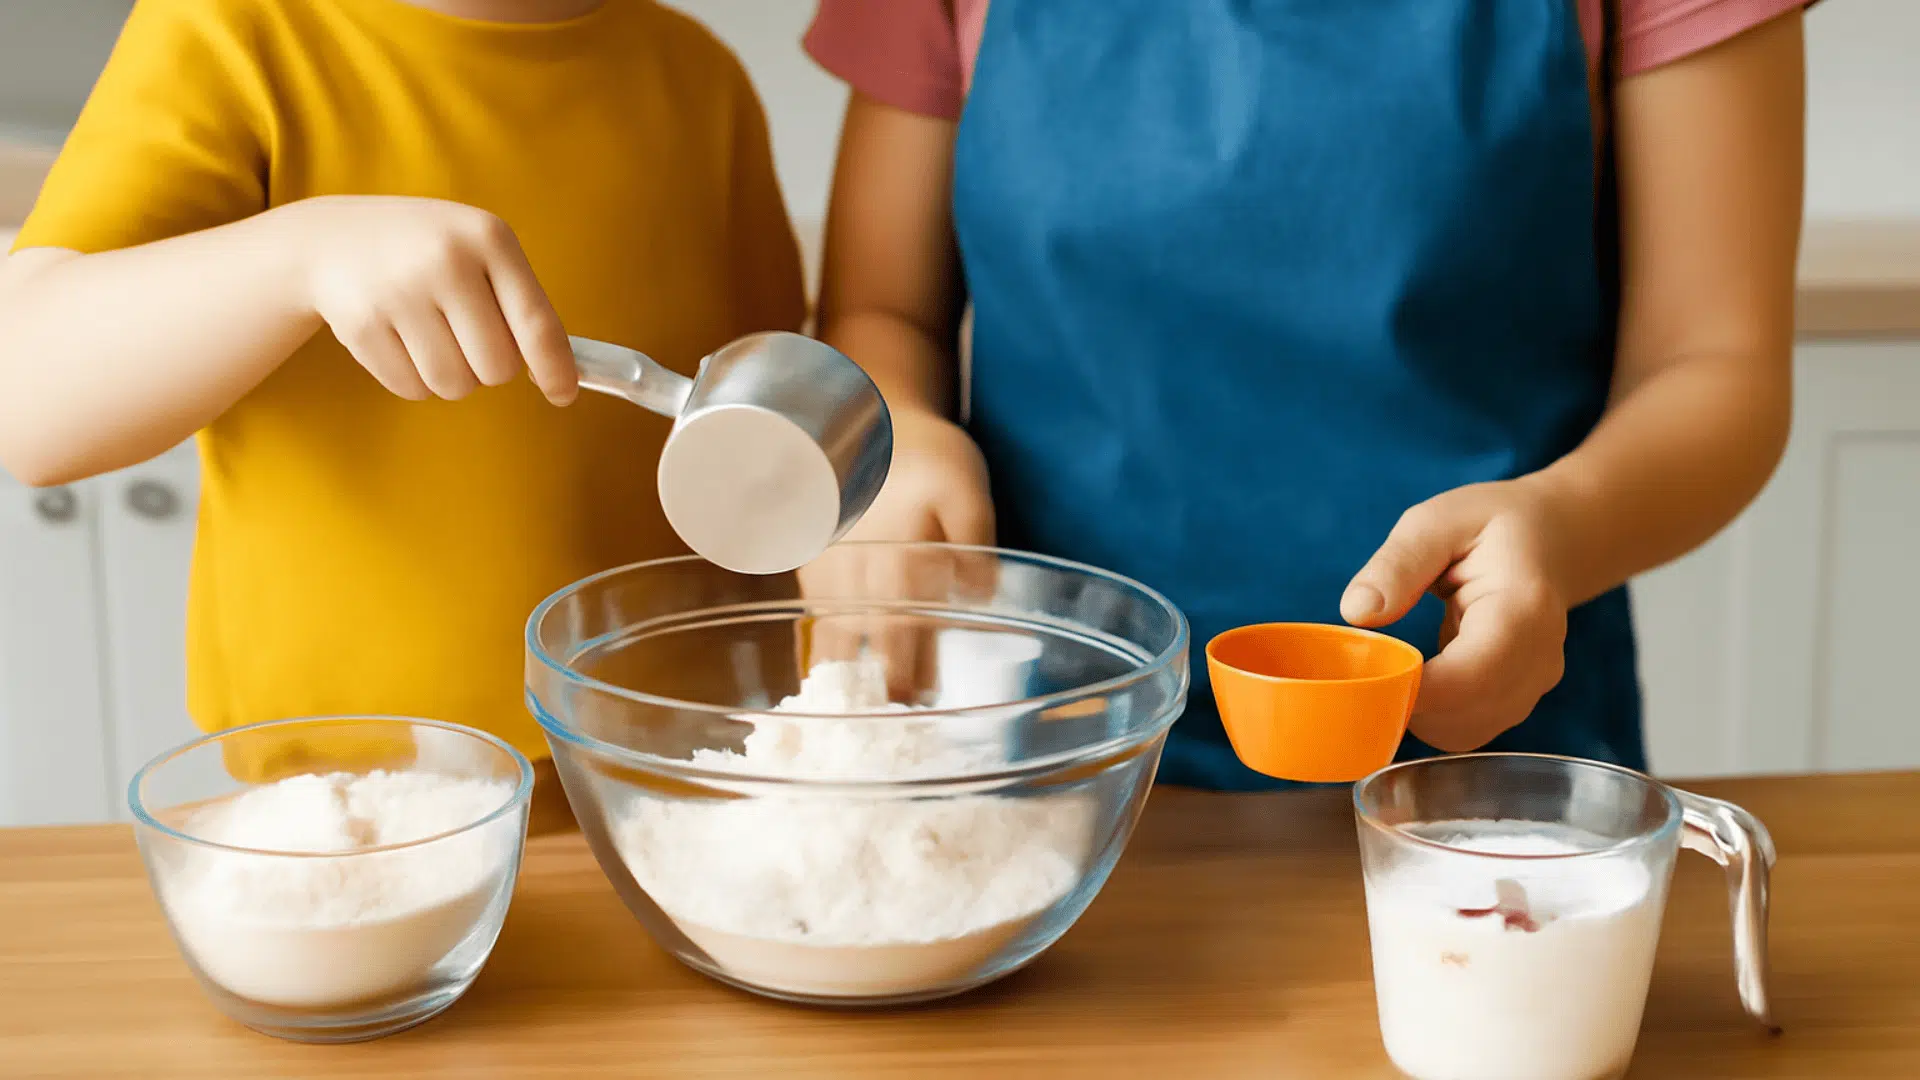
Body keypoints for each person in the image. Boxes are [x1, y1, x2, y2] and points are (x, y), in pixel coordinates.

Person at [802, 0, 1809, 789]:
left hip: (1485, 777)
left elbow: (1713, 361)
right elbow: (882, 312)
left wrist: (1566, 525)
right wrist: (896, 441)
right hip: (1030, 763)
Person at [0, 0, 804, 827]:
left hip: (689, 776)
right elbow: (29, 406)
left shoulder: (699, 76)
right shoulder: (232, 32)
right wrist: (298, 255)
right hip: (360, 803)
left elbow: (769, 439)